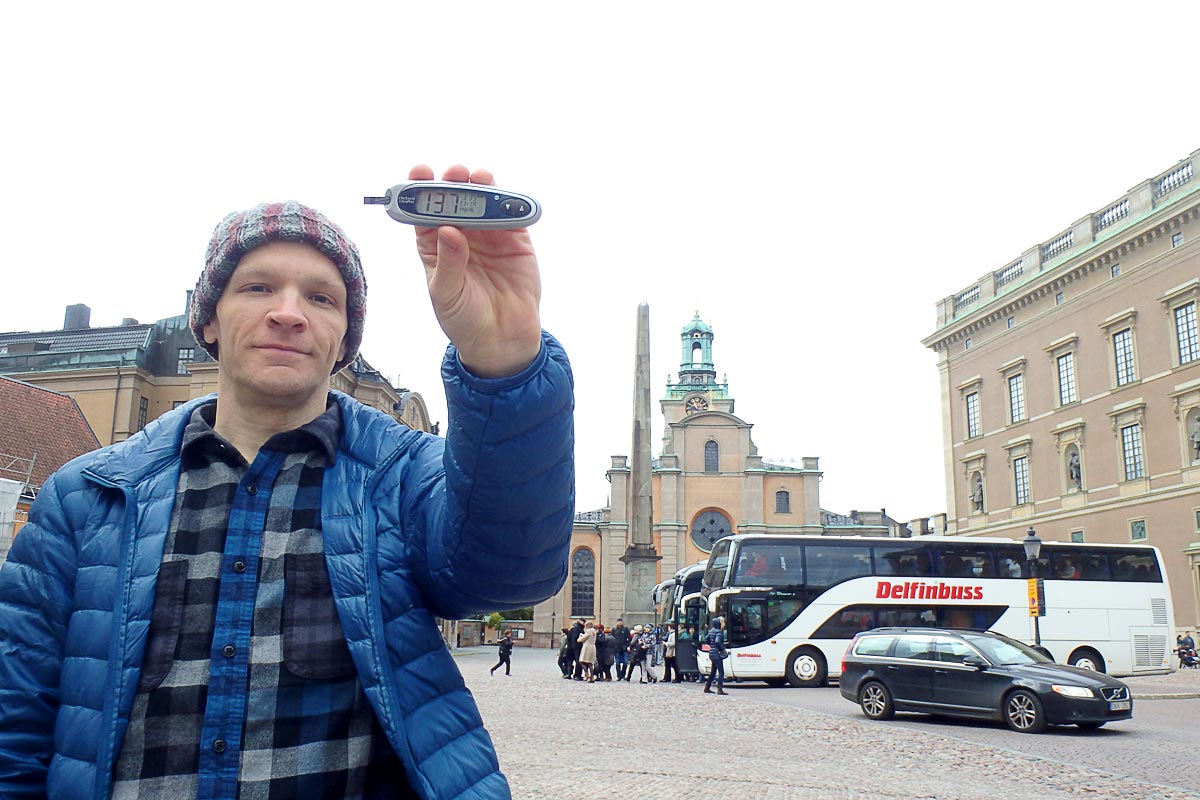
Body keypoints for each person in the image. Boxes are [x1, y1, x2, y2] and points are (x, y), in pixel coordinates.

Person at [0, 165, 576, 800]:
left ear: (344, 341)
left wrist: (504, 360)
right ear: (209, 320)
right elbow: (16, 731)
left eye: (321, 298)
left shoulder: (403, 479)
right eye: (256, 287)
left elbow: (510, 575)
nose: (288, 314)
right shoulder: (86, 499)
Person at [703, 618, 729, 695]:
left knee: (713, 671)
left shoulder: (711, 631)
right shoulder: (719, 633)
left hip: (711, 653)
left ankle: (707, 687)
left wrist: (711, 645)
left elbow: (705, 640)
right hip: (717, 654)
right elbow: (717, 642)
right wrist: (722, 649)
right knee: (721, 672)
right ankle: (719, 689)